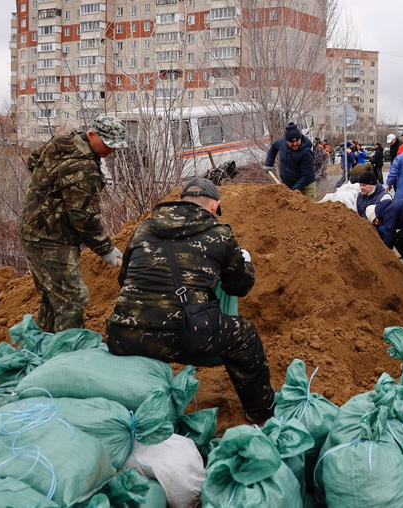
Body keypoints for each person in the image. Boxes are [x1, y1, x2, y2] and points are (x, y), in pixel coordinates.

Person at [106, 178, 276, 423]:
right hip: (183, 335)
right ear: (214, 206)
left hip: (122, 334)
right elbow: (240, 286)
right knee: (245, 334)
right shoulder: (219, 234)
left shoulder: (143, 229)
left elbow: (124, 280)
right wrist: (245, 263)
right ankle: (262, 410)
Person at [20, 114, 128, 333]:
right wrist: (106, 250)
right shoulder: (83, 167)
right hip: (52, 238)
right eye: (108, 144)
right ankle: (67, 355)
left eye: (116, 146)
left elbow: (33, 161)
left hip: (33, 229)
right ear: (91, 134)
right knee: (72, 299)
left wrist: (49, 192)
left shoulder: (62, 140)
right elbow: (84, 219)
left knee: (53, 298)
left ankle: (46, 350)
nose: (112, 151)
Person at [264, 122, 316, 202]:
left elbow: (306, 176)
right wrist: (268, 164)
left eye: (297, 141)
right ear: (286, 141)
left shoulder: (306, 153)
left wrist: (293, 191)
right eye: (292, 142)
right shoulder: (282, 143)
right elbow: (274, 147)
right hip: (288, 185)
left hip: (306, 186)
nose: (295, 144)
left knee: (308, 212)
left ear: (300, 138)